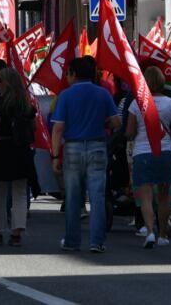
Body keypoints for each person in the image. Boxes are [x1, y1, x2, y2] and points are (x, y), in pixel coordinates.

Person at [50, 55, 120, 254]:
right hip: (98, 146)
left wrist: (55, 156)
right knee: (97, 195)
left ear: (74, 74)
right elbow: (116, 122)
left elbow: (58, 129)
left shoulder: (65, 95)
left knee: (73, 196)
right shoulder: (102, 94)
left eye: (68, 73)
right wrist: (102, 123)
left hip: (72, 148)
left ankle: (72, 240)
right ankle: (96, 241)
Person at [128, 66, 171, 249]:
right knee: (164, 197)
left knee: (146, 197)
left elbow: (129, 132)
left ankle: (150, 231)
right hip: (165, 152)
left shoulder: (136, 103)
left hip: (142, 152)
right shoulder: (170, 103)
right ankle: (163, 235)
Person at [0, 67, 36, 247]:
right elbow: (34, 126)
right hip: (21, 149)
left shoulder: (0, 103)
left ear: (6, 83)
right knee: (20, 191)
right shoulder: (26, 103)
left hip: (3, 147)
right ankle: (17, 231)